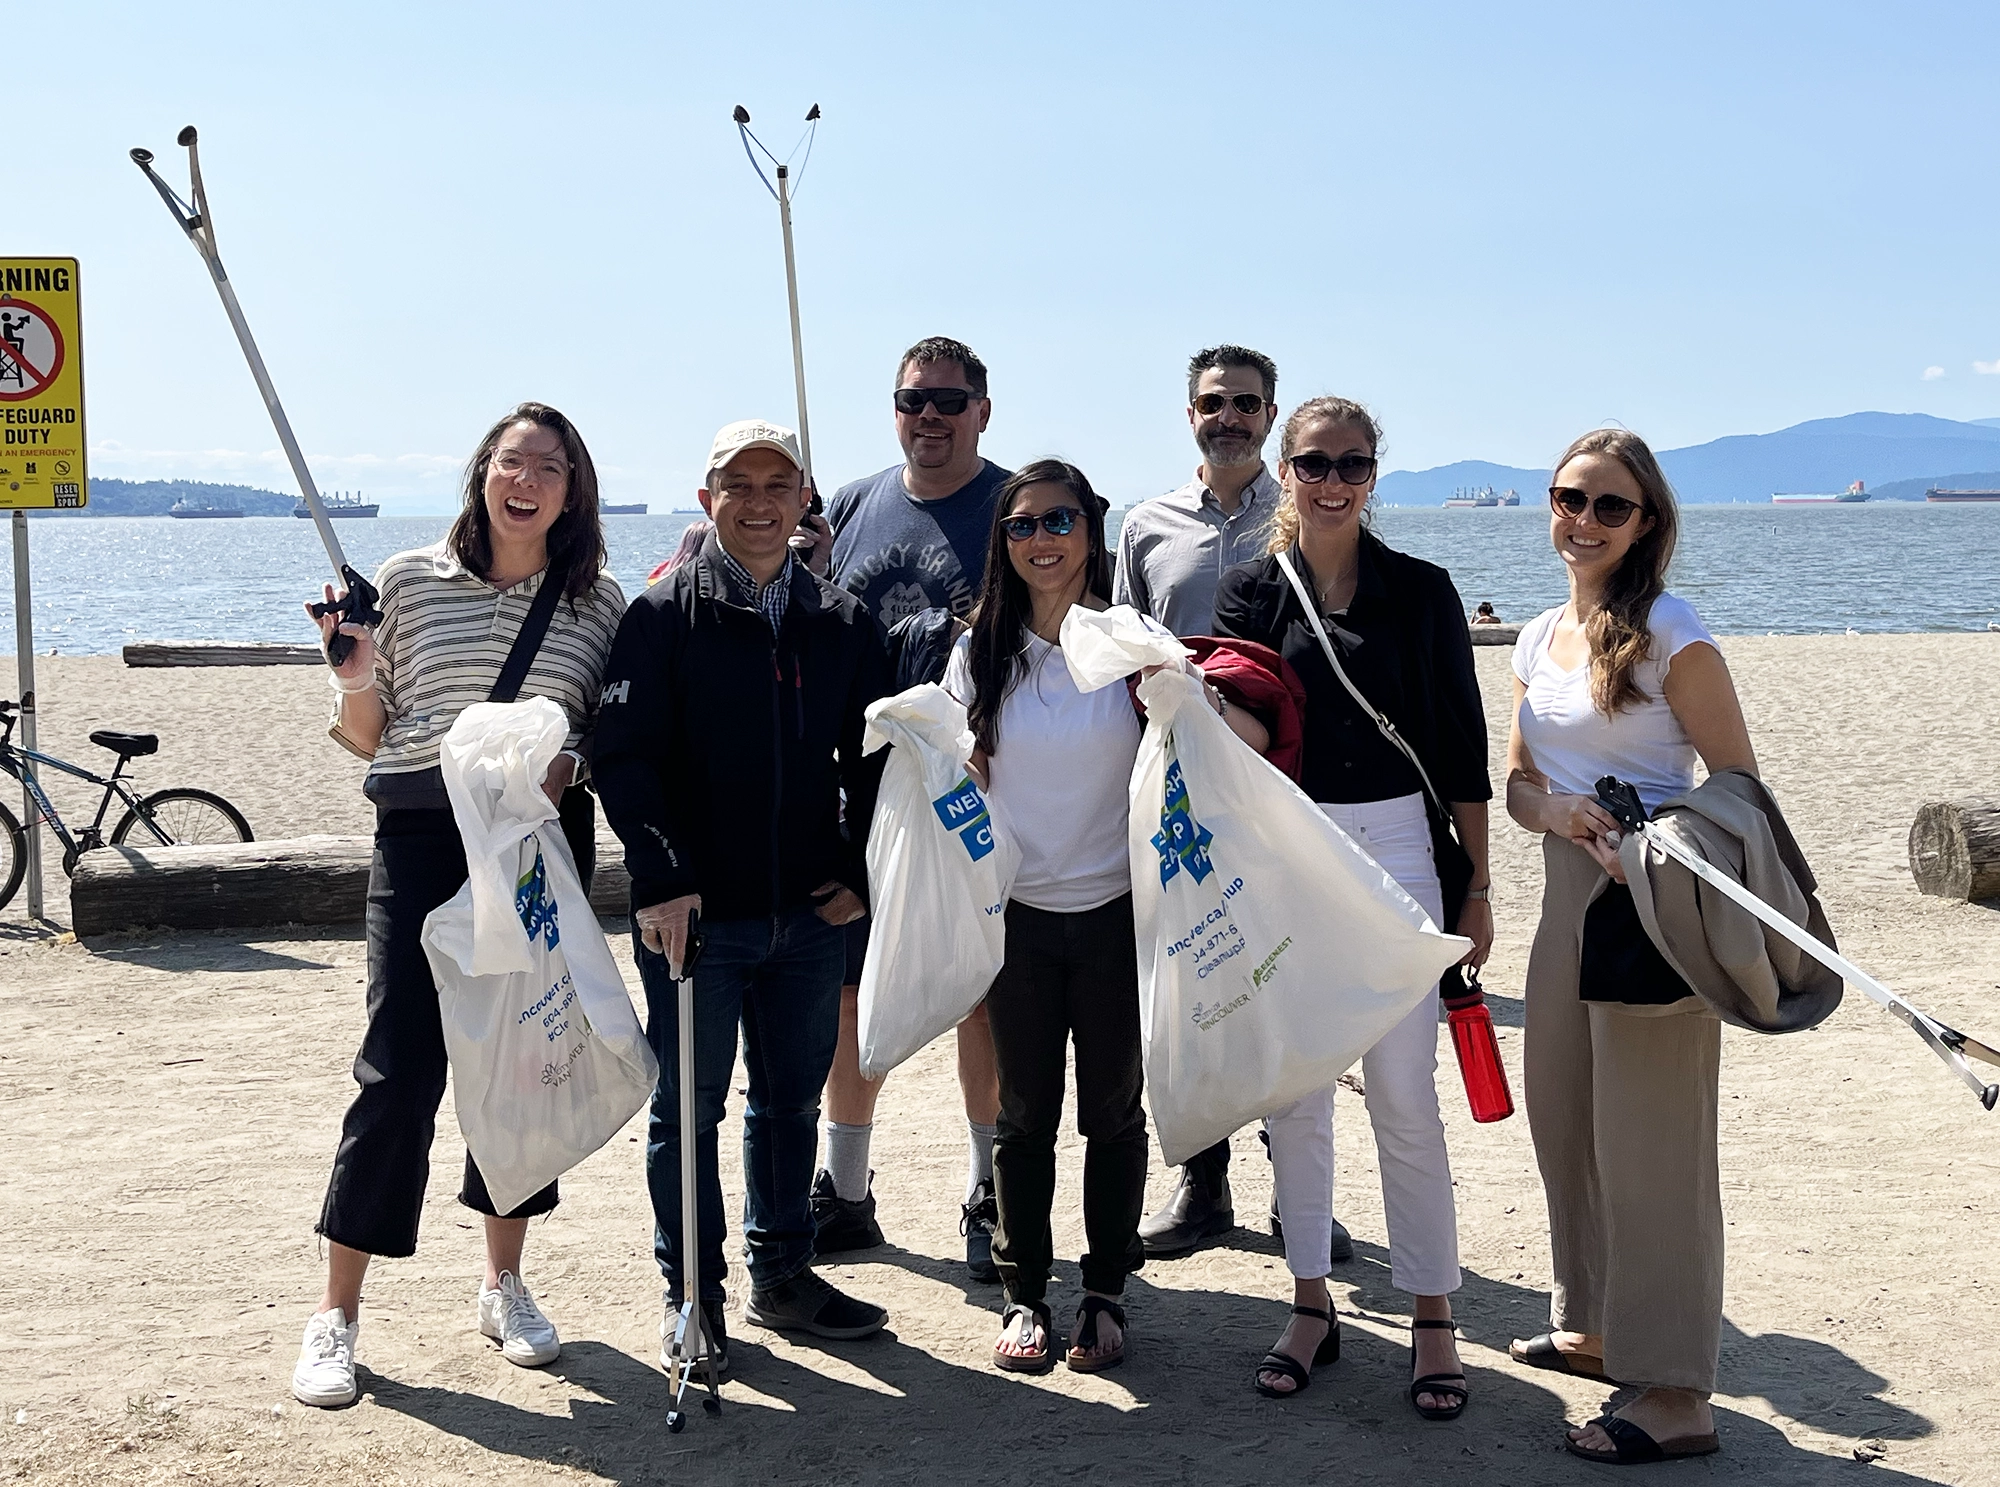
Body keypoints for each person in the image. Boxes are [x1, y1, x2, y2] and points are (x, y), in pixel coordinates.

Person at [291, 403, 625, 1409]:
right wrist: (353, 674)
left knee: (520, 1058)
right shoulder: (404, 581)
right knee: (398, 1064)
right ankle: (336, 1313)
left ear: (573, 492)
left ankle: (502, 1283)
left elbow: (606, 733)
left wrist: (569, 765)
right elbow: (368, 733)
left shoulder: (598, 603)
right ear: (483, 472)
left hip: (530, 846)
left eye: (551, 467)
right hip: (421, 831)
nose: (527, 480)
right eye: (512, 460)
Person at [945, 460, 1266, 1375]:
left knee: (1115, 1113)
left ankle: (1106, 1289)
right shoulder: (979, 652)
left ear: (1092, 531)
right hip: (1019, 918)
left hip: (1120, 916)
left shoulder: (1132, 641)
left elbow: (1202, 748)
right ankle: (1024, 1293)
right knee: (1022, 1115)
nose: (1041, 539)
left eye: (1060, 520)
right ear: (1002, 542)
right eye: (1021, 525)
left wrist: (1187, 689)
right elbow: (961, 777)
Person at [594, 420, 895, 1380]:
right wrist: (661, 877)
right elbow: (622, 759)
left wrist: (859, 870)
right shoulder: (661, 615)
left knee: (790, 1103)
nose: (759, 502)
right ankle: (694, 1295)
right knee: (687, 1112)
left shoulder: (840, 620)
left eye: (778, 484)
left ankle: (784, 1273)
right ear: (708, 498)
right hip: (695, 917)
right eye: (739, 484)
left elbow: (878, 760)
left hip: (806, 915)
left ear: (806, 498)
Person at [1212, 396, 1492, 1413]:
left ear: (1375, 473)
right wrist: (1188, 701)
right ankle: (1309, 1301)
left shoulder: (1420, 590)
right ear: (1285, 469)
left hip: (1401, 846)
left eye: (1354, 463)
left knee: (1404, 1090)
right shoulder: (1250, 591)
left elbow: (1460, 742)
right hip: (1295, 850)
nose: (1333, 481)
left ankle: (1432, 1314)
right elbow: (1244, 728)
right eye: (1315, 462)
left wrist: (1478, 883)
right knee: (1297, 1095)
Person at [1504, 429, 1755, 1465]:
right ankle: (1598, 1325)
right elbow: (1517, 783)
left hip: (1651, 904)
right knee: (1565, 1119)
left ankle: (1676, 1389)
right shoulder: (1535, 637)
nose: (1585, 520)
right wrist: (1557, 812)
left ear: (1646, 522)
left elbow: (1739, 787)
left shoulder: (1670, 633)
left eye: (1611, 505)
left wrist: (1649, 844)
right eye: (1570, 497)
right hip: (1565, 900)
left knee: (1655, 1150)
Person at [1115, 344, 1354, 1263]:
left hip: (1282, 780)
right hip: (1181, 789)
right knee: (1197, 980)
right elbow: (1126, 649)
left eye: (1247, 404)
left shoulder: (1303, 513)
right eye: (1214, 402)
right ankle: (1203, 1185)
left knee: (1284, 982)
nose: (1230, 417)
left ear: (1270, 415)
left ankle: (1300, 1190)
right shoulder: (1146, 526)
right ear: (1191, 415)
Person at [813, 337, 1012, 1281]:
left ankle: (988, 1190)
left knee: (981, 988)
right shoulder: (851, 504)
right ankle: (845, 1188)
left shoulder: (1018, 503)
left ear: (982, 410)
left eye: (948, 400)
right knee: (852, 987)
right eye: (911, 400)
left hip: (976, 779)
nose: (928, 416)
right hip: (862, 783)